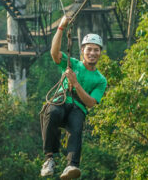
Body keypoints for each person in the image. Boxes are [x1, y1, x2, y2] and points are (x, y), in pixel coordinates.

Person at [40, 16, 107, 179]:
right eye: (89, 49)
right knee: (52, 112)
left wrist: (76, 84)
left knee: (76, 128)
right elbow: (54, 53)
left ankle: (71, 165)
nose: (92, 53)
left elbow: (91, 103)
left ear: (100, 53)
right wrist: (61, 28)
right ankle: (49, 158)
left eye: (96, 50)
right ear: (82, 50)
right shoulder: (73, 64)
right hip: (62, 100)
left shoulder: (100, 79)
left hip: (78, 107)